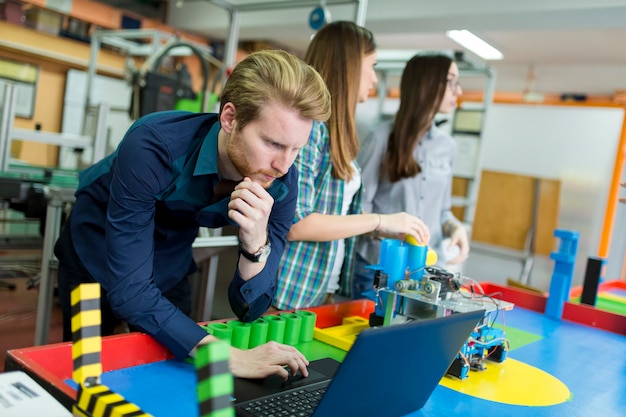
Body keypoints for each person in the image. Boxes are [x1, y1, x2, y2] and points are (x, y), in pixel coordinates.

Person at [54, 49, 331, 380]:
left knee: (170, 370)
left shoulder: (282, 179)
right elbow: (130, 292)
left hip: (169, 257)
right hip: (94, 252)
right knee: (88, 374)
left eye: (296, 148)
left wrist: (256, 245)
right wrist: (226, 357)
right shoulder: (154, 145)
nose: (285, 164)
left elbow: (251, 308)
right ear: (230, 118)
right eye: (272, 143)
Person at [273, 21, 430, 310]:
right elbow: (297, 223)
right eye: (372, 66)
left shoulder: (337, 134)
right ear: (350, 67)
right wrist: (380, 220)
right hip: (286, 296)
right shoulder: (309, 129)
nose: (374, 78)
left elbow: (337, 214)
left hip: (320, 292)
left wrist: (383, 230)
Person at [352, 53, 470, 298]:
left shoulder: (447, 146)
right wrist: (391, 230)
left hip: (428, 272)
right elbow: (357, 212)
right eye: (451, 81)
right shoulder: (381, 138)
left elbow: (443, 212)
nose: (458, 91)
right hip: (380, 269)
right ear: (426, 84)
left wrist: (456, 229)